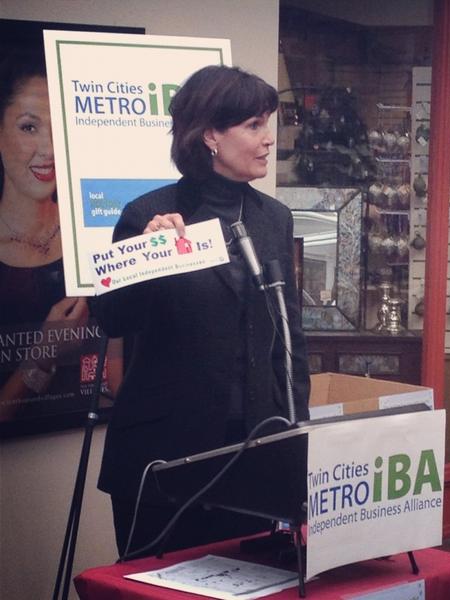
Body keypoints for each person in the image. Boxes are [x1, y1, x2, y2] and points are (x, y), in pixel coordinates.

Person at [91, 65, 311, 557]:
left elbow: (290, 336)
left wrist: (295, 432)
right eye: (253, 125)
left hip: (251, 454)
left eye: (268, 124)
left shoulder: (274, 218)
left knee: (248, 581)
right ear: (211, 135)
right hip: (164, 457)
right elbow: (113, 318)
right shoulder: (147, 215)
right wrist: (146, 256)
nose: (269, 139)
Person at [0, 50, 121, 426]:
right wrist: (44, 354)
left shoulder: (95, 229)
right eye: (29, 127)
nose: (50, 149)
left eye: (61, 130)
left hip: (95, 427)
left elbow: (117, 379)